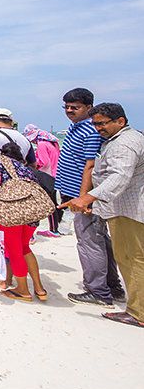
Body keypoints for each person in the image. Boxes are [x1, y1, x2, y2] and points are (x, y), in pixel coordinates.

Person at [60, 103, 142, 327]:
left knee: (132, 258)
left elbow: (118, 177)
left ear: (120, 121)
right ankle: (121, 295)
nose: (98, 128)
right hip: (120, 208)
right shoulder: (121, 139)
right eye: (96, 124)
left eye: (103, 123)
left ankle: (137, 312)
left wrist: (86, 198)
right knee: (124, 255)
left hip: (129, 209)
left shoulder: (124, 143)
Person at [53, 89, 124, 307]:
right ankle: (112, 286)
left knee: (89, 241)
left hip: (83, 196)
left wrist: (84, 197)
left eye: (75, 107)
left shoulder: (91, 131)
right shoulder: (78, 128)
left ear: (88, 107)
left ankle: (98, 291)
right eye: (66, 106)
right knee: (99, 239)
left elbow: (91, 165)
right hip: (77, 194)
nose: (69, 110)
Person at [0, 142, 48, 302]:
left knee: (14, 249)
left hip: (14, 209)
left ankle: (23, 290)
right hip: (32, 210)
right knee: (25, 247)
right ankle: (39, 289)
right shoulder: (26, 168)